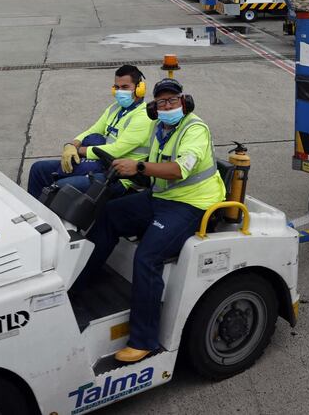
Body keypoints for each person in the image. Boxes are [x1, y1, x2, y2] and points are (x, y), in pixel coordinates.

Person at [73, 77, 226, 363]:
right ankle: (83, 281)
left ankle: (144, 341)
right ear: (154, 107)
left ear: (184, 102)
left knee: (147, 256)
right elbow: (148, 168)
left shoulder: (195, 129)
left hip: (192, 205)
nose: (168, 105)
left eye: (173, 100)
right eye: (162, 102)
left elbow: (180, 169)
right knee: (109, 214)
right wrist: (129, 169)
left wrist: (139, 166)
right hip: (160, 198)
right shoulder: (160, 128)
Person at [27, 65, 152, 198]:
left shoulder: (144, 117)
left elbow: (116, 150)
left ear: (140, 89)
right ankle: (35, 213)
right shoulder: (115, 109)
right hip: (99, 164)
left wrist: (79, 150)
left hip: (119, 177)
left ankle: (54, 216)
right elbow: (93, 130)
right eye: (117, 87)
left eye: (125, 87)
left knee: (62, 187)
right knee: (38, 169)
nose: (120, 91)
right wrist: (72, 145)